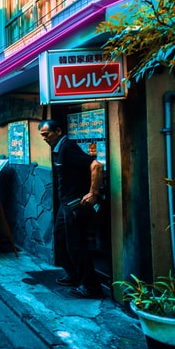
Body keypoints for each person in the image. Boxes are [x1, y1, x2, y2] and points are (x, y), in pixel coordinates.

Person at [38, 119, 104, 299]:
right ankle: (73, 275)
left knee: (76, 245)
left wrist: (93, 192)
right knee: (60, 239)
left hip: (76, 204)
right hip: (65, 204)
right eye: (42, 135)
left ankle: (91, 287)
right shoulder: (58, 148)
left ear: (58, 131)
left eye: (46, 134)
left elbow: (96, 165)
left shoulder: (67, 148)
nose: (44, 138)